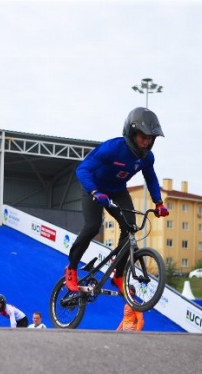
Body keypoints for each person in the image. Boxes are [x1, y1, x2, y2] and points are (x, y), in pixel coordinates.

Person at [64, 107, 169, 292]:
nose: (146, 142)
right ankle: (71, 268)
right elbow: (82, 169)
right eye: (142, 137)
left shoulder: (147, 158)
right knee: (92, 227)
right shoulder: (113, 148)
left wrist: (158, 202)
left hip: (117, 191)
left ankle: (118, 274)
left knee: (130, 227)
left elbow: (151, 178)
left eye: (149, 139)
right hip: (94, 189)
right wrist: (95, 191)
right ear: (131, 133)